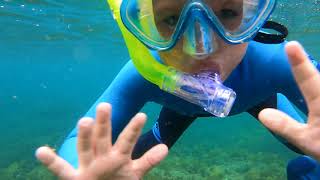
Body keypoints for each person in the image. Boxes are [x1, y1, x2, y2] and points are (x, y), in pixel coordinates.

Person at [36, 0, 320, 179]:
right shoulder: (145, 72)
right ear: (145, 26)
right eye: (172, 19)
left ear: (253, 17)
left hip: (260, 98)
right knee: (126, 160)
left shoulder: (276, 62)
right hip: (180, 107)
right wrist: (84, 172)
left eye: (228, 12)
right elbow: (81, 139)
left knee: (308, 146)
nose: (201, 47)